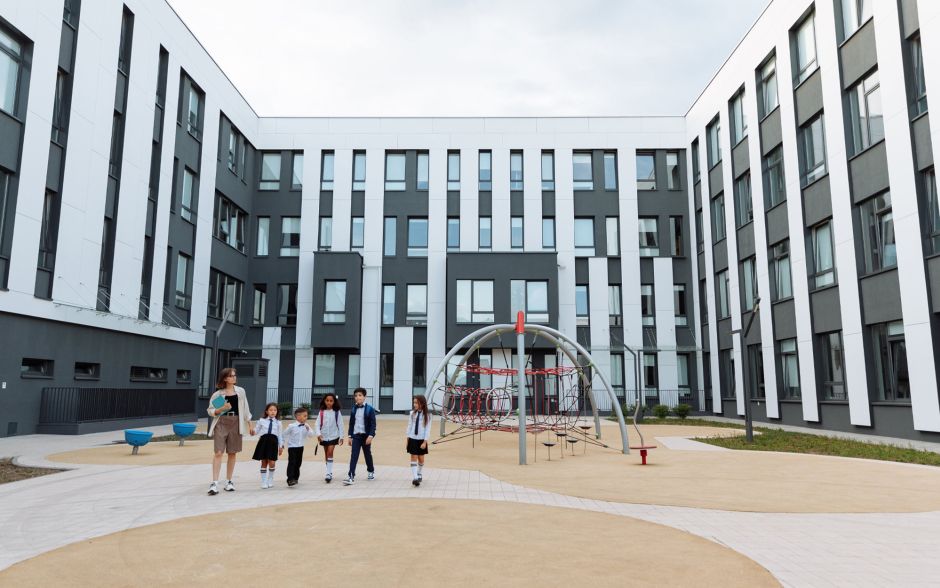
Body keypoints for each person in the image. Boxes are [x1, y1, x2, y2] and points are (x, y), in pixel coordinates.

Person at [206, 367, 254, 496]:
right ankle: (214, 483)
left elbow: (246, 408)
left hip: (236, 422)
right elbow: (211, 411)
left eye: (234, 375)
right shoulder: (219, 394)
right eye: (231, 376)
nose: (234, 377)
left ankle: (229, 481)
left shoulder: (240, 392)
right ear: (225, 378)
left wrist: (250, 424)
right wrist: (221, 408)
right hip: (221, 422)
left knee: (232, 453)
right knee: (218, 452)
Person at [343, 387, 376, 485]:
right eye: (356, 396)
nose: (358, 397)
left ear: (364, 397)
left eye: (360, 395)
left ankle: (371, 471)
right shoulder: (354, 409)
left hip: (366, 436)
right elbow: (351, 424)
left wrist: (371, 436)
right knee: (354, 455)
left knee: (367, 454)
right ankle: (351, 476)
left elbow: (373, 424)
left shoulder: (370, 409)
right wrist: (350, 436)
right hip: (356, 436)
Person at [252, 403, 284, 489]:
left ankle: (270, 479)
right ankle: (264, 481)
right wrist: (253, 432)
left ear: (277, 412)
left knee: (272, 462)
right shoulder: (261, 420)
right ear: (266, 411)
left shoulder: (278, 423)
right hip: (264, 442)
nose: (273, 412)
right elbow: (256, 431)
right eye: (271, 410)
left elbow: (280, 435)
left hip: (273, 443)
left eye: (275, 410)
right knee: (264, 462)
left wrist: (281, 446)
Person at [314, 393, 344, 483]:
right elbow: (317, 424)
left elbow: (341, 424)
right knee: (326, 454)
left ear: (334, 402)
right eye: (327, 400)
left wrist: (341, 437)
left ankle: (328, 474)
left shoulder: (337, 412)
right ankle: (329, 471)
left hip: (334, 436)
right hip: (323, 436)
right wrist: (318, 434)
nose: (329, 402)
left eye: (331, 401)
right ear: (324, 401)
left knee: (330, 452)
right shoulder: (321, 412)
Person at [283, 407, 315, 486]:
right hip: (292, 447)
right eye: (304, 416)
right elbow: (284, 434)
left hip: (300, 447)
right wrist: (282, 443)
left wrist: (308, 429)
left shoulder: (306, 425)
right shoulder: (291, 426)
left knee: (298, 463)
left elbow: (311, 435)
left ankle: (295, 478)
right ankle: (290, 479)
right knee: (292, 462)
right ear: (298, 417)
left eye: (306, 416)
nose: (306, 417)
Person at [406, 394, 432, 486]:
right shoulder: (412, 414)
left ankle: (419, 472)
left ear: (422, 403)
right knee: (413, 457)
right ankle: (415, 478)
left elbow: (428, 429)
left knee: (421, 459)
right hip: (413, 438)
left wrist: (425, 441)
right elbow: (409, 426)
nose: (415, 405)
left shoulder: (428, 415)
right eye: (414, 403)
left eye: (416, 403)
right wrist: (407, 439)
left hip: (421, 439)